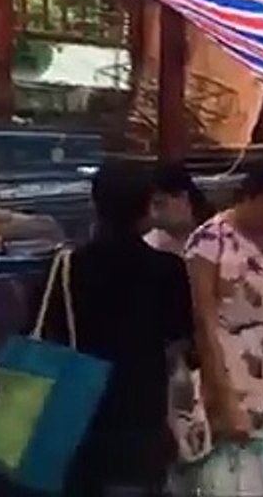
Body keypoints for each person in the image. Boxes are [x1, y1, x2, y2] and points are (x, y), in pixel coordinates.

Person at [51, 161, 194, 497]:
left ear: (95, 206)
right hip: (140, 409)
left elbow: (48, 327)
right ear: (147, 210)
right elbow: (178, 343)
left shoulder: (67, 265)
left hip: (75, 410)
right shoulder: (167, 268)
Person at [180, 159, 263, 492]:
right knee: (230, 479)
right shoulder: (209, 241)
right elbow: (203, 322)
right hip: (225, 367)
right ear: (249, 196)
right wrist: (225, 399)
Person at [146, 163, 214, 256]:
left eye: (159, 204)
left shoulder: (219, 236)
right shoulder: (149, 245)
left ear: (183, 198)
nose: (153, 214)